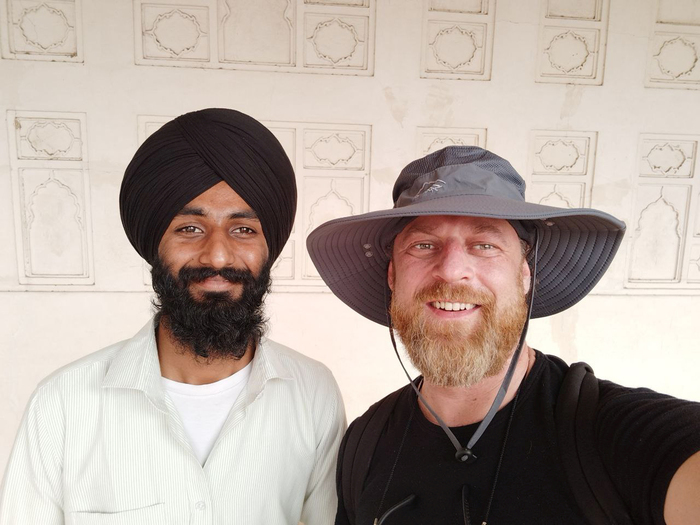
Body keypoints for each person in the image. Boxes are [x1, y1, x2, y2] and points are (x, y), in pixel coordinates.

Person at [306, 146, 700, 525]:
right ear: (393, 276)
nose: (451, 270)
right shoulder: (364, 443)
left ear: (525, 274)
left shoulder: (612, 434)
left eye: (485, 245)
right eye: (423, 245)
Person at [0, 108, 346, 525]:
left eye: (243, 230)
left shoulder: (312, 394)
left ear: (268, 248)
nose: (217, 256)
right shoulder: (62, 403)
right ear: (155, 246)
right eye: (189, 229)